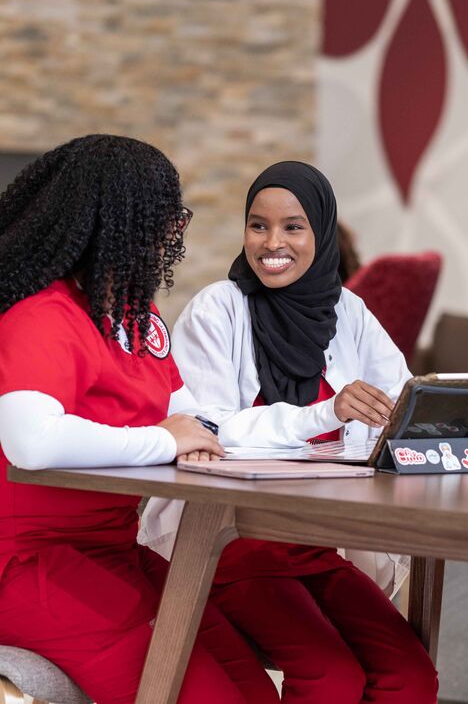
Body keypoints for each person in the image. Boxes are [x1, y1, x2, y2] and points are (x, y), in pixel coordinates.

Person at [140, 161, 439, 703]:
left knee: (411, 676)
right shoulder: (218, 309)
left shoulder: (348, 311)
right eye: (258, 225)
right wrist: (326, 416)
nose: (272, 242)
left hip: (316, 541)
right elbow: (205, 429)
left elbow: (403, 404)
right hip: (226, 540)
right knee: (330, 678)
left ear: (321, 232)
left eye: (293, 226)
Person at [0, 134, 284, 704]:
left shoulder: (135, 315)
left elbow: (190, 418)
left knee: (253, 690)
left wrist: (304, 429)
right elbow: (31, 441)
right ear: (121, 225)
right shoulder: (41, 316)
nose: (172, 234)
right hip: (27, 563)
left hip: (112, 550)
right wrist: (160, 441)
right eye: (165, 218)